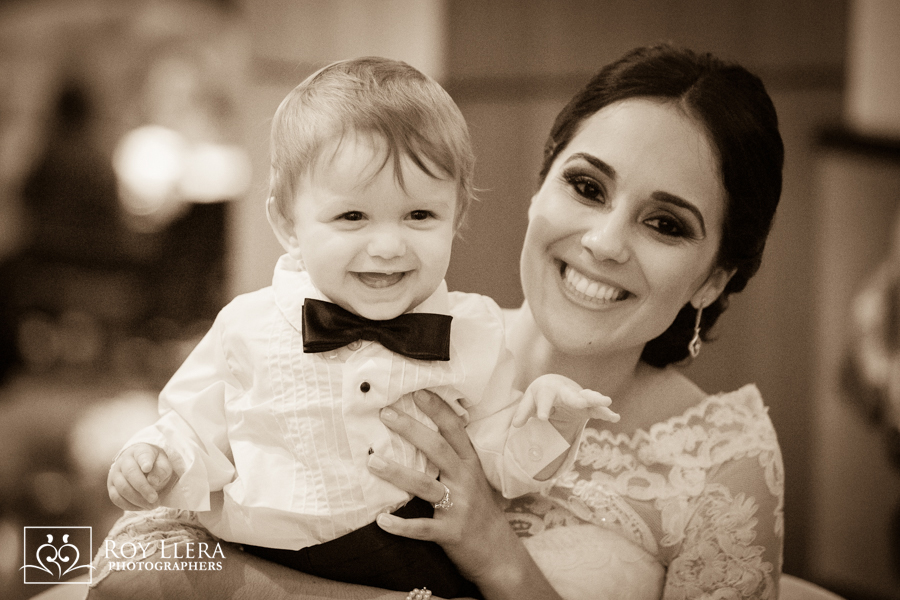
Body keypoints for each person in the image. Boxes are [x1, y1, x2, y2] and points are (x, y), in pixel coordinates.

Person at [89, 43, 784, 600]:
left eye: (665, 224)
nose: (605, 241)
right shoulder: (393, 333)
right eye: (586, 186)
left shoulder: (726, 460)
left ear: (716, 277)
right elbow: (129, 568)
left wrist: (499, 559)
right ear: (540, 186)